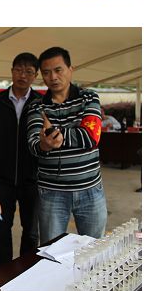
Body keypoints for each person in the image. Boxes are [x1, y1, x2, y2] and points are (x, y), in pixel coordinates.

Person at [27, 47, 107, 241]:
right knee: (51, 251)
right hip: (51, 193)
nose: (53, 77)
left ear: (71, 69)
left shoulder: (89, 97)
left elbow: (91, 137)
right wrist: (45, 145)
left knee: (94, 250)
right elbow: (34, 144)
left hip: (90, 190)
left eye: (58, 70)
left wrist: (57, 135)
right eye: (46, 72)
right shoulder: (36, 106)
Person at [0, 52, 42, 269]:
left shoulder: (41, 103)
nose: (22, 75)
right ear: (12, 71)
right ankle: (2, 271)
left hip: (32, 179)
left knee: (31, 230)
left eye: (28, 71)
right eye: (19, 70)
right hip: (3, 178)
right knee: (2, 226)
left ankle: (28, 270)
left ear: (35, 75)